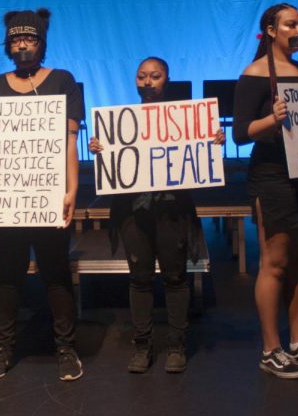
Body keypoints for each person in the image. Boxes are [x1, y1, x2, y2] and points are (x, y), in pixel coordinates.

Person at [0, 8, 84, 381]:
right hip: (7, 199)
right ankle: (3, 347)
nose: (22, 44)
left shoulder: (62, 80)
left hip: (47, 195)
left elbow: (69, 140)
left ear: (41, 42)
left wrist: (72, 188)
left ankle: (66, 348)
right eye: (17, 38)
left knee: (55, 273)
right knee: (8, 276)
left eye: (30, 38)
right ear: (8, 43)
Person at [87, 57, 224, 373]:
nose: (148, 82)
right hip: (133, 210)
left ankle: (177, 345)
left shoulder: (186, 120)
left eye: (155, 76)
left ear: (167, 79)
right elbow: (115, 157)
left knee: (176, 277)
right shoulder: (121, 122)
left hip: (172, 209)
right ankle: (142, 345)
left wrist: (213, 140)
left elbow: (199, 154)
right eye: (141, 76)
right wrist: (100, 147)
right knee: (140, 278)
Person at [232, 3, 298, 379]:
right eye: (291, 23)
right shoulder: (254, 75)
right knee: (274, 263)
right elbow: (240, 133)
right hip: (272, 175)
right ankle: (271, 349)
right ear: (271, 30)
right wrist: (271, 120)